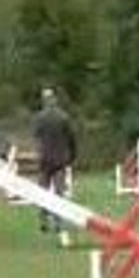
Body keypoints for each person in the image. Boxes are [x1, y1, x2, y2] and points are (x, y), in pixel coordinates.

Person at [32, 87, 77, 246]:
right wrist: (72, 155)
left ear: (44, 101)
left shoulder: (39, 118)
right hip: (60, 160)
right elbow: (72, 138)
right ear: (55, 100)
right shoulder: (63, 117)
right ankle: (58, 223)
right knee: (59, 192)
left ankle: (43, 221)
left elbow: (36, 137)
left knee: (42, 191)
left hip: (44, 160)